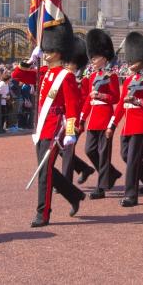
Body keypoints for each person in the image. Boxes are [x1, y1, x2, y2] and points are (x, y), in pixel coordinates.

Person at [10, 21, 85, 227]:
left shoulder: (66, 76)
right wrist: (29, 60)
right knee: (46, 169)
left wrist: (70, 131)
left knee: (44, 172)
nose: (47, 52)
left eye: (50, 49)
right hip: (41, 126)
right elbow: (17, 76)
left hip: (55, 128)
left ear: (59, 52)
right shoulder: (43, 72)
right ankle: (74, 195)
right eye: (46, 48)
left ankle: (43, 213)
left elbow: (72, 107)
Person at [107, 32, 143, 207]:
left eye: (133, 60)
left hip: (140, 122)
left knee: (132, 161)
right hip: (127, 124)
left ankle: (131, 195)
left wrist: (137, 100)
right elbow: (121, 105)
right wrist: (113, 124)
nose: (130, 64)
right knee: (125, 155)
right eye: (129, 60)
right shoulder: (129, 80)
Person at [80, 28, 122, 198]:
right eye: (92, 57)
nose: (92, 60)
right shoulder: (91, 77)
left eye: (95, 57)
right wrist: (82, 118)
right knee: (90, 150)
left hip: (105, 117)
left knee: (103, 154)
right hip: (94, 119)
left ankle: (102, 186)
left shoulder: (111, 76)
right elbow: (88, 102)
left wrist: (101, 95)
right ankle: (111, 174)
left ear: (104, 58)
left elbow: (115, 98)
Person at [60, 36, 95, 184]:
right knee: (61, 147)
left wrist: (80, 119)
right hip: (62, 117)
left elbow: (86, 99)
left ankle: (66, 182)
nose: (68, 64)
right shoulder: (64, 75)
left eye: (71, 61)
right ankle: (84, 168)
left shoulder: (85, 77)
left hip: (75, 119)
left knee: (67, 150)